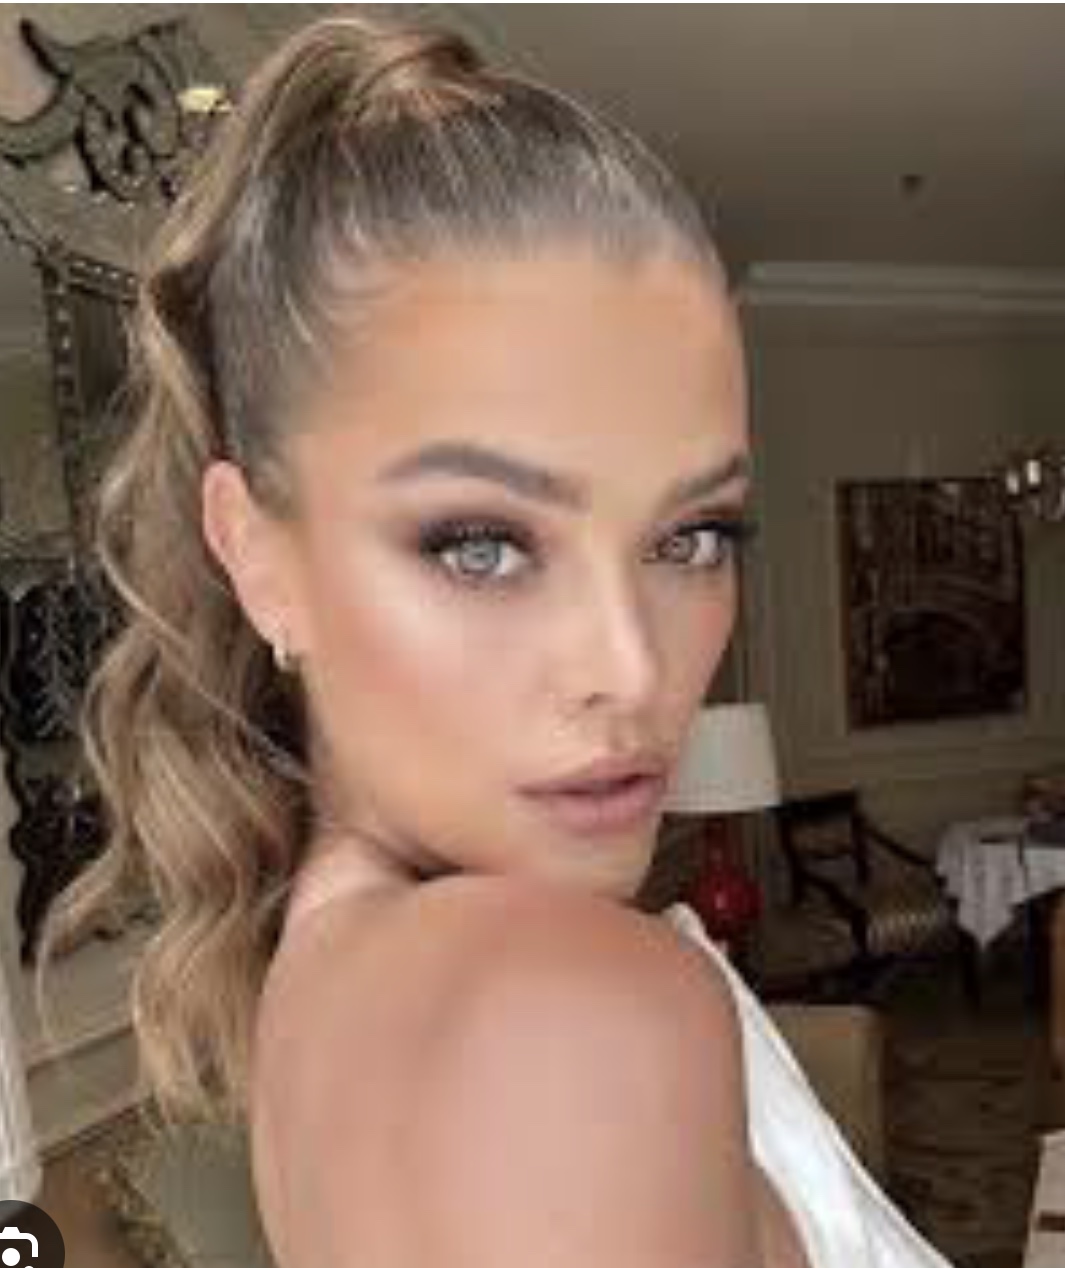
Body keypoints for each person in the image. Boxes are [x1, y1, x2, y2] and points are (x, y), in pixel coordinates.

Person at [36, 11, 955, 1267]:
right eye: (480, 545)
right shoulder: (555, 1012)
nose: (633, 670)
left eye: (692, 535)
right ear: (257, 556)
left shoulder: (338, 982)